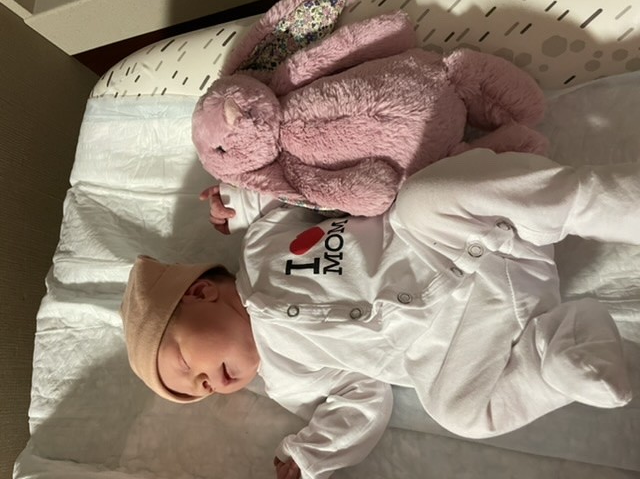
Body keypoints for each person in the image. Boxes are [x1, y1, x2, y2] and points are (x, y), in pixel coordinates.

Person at [120, 148, 636, 479]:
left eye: (187, 365)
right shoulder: (286, 379)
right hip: (477, 329)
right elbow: (361, 399)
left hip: (455, 240)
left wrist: (241, 200)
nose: (208, 384)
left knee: (421, 199)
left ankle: (599, 202)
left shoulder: (259, 248)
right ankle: (564, 351)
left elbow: (295, 192)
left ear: (199, 294)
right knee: (457, 410)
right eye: (199, 390)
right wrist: (313, 452)